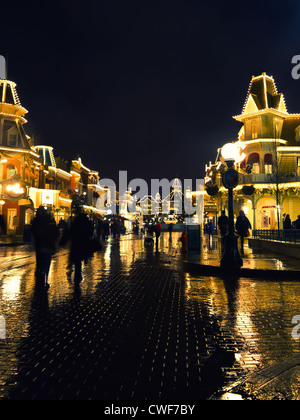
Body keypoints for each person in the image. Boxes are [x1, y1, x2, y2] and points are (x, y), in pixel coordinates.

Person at [31, 206, 59, 288]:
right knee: (42, 258)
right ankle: (42, 271)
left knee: (43, 258)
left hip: (43, 243)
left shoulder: (39, 221)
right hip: (42, 243)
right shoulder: (41, 221)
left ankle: (43, 273)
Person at [68, 208, 94, 285]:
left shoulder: (75, 222)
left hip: (75, 244)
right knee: (80, 259)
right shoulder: (87, 223)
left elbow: (70, 232)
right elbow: (91, 232)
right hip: (83, 244)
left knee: (77, 261)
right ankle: (78, 274)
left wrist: (64, 241)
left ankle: (77, 274)